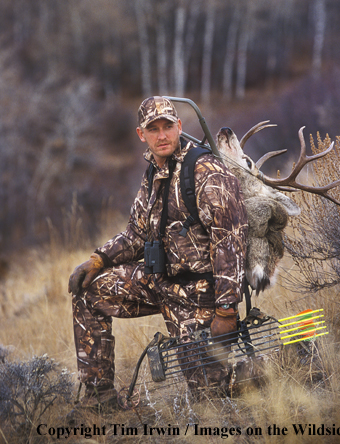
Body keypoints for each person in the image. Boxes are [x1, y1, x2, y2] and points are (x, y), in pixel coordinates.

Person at [68, 96, 248, 410]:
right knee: (88, 291)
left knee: (209, 399)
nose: (161, 135)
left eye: (167, 126)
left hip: (199, 296)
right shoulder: (154, 172)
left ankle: (282, 367)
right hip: (159, 284)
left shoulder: (206, 171)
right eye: (153, 129)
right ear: (142, 134)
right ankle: (99, 400)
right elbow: (136, 234)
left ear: (179, 127)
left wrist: (226, 311)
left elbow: (230, 242)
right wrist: (100, 259)